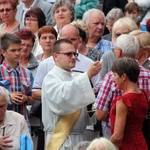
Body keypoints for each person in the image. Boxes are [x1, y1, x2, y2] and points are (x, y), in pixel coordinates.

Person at [42, 39, 101, 149]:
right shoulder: (51, 78)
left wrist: (92, 104)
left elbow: (90, 114)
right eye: (68, 54)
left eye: (75, 54)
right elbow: (63, 101)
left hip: (80, 137)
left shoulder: (77, 78)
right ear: (55, 56)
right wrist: (87, 75)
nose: (73, 57)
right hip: (61, 140)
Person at [94, 34, 150, 139]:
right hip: (141, 133)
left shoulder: (111, 77)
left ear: (119, 52)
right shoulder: (148, 75)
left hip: (113, 133)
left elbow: (100, 114)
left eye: (114, 50)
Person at [110, 57, 148, 150]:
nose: (113, 79)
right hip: (142, 144)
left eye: (114, 75)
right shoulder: (143, 95)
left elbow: (118, 137)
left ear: (123, 76)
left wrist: (105, 146)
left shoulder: (123, 100)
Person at [0, 33, 34, 127]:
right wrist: (8, 97)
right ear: (3, 52)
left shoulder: (27, 73)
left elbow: (33, 98)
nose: (17, 53)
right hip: (3, 125)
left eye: (19, 49)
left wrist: (25, 99)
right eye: (13, 50)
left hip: (23, 123)